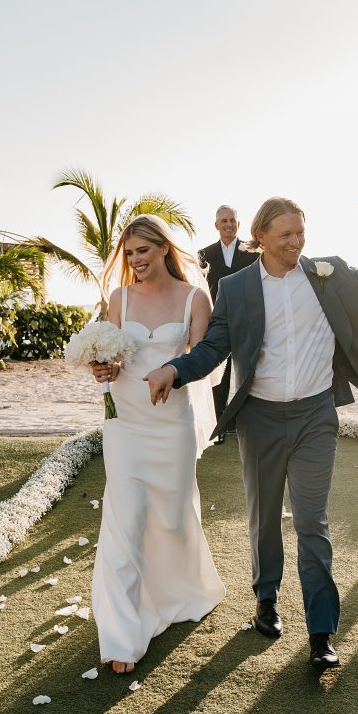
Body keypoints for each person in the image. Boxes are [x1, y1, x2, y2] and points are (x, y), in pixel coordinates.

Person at [146, 197, 358, 670]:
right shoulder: (239, 287)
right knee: (264, 516)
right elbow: (214, 348)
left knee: (312, 522)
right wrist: (175, 369)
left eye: (300, 233)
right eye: (284, 235)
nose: (295, 243)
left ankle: (322, 632)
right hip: (260, 418)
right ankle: (266, 598)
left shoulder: (331, 273)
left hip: (315, 416)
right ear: (259, 236)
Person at [90, 214, 225, 675]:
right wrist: (102, 369)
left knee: (173, 516)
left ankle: (182, 590)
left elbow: (202, 359)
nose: (135, 261)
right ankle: (122, 635)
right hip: (125, 423)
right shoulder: (119, 298)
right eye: (128, 255)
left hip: (173, 423)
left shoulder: (194, 297)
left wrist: (173, 368)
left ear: (163, 249)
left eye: (143, 252)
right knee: (124, 517)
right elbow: (110, 359)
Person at [198, 205, 259, 441]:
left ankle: (248, 422)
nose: (228, 224)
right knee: (219, 375)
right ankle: (220, 425)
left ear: (238, 224)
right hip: (218, 321)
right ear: (216, 225)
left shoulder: (253, 252)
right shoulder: (203, 254)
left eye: (232, 220)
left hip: (247, 320)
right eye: (223, 221)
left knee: (247, 372)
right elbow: (200, 288)